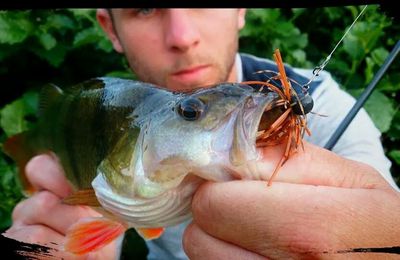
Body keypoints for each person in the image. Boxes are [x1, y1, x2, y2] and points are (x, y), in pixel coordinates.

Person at [3, 8, 400, 259]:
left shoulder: (333, 112)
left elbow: (383, 205)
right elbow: (98, 220)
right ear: (110, 28)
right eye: (144, 9)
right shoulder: (113, 122)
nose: (181, 34)